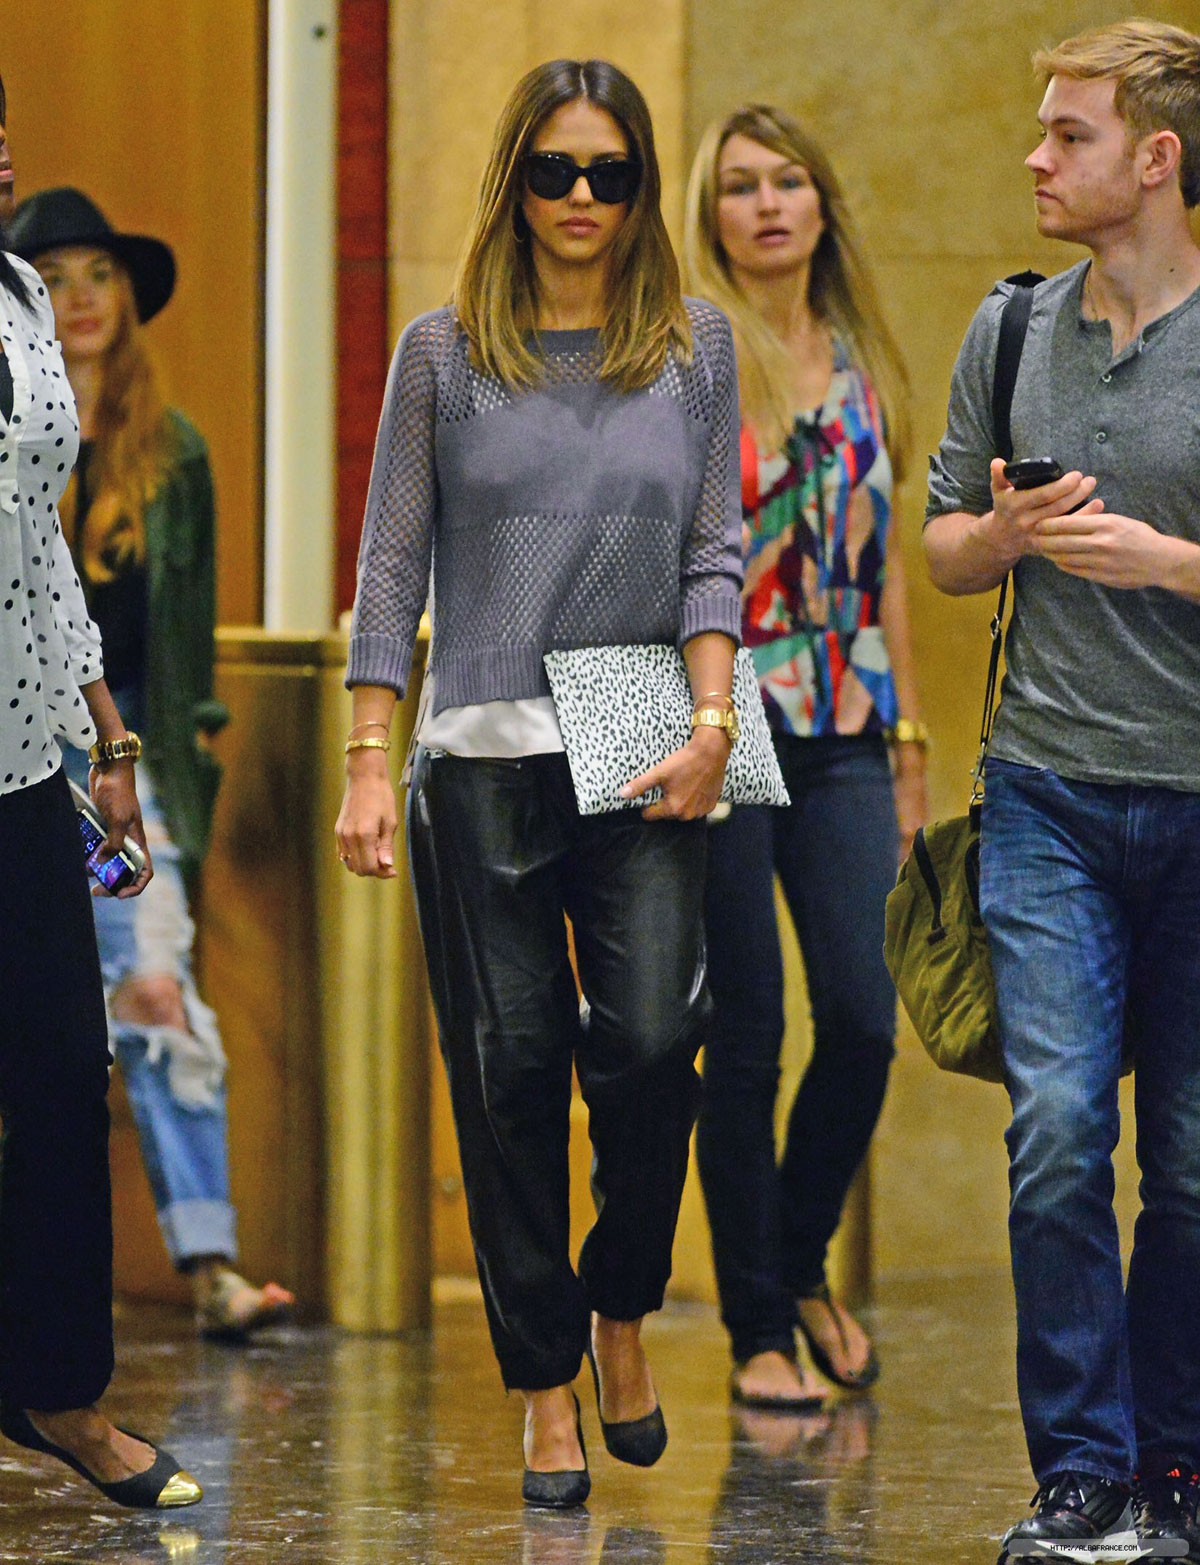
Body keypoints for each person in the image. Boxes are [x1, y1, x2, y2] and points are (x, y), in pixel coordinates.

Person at [336, 58, 741, 1507]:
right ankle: (542, 1380)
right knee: (506, 1071)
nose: (582, 198)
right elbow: (389, 564)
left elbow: (713, 548)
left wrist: (711, 719)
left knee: (645, 1042)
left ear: (640, 190)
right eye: (556, 171)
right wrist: (371, 758)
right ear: (513, 179)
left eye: (611, 174)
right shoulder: (444, 352)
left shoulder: (693, 342)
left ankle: (623, 1307)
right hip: (485, 739)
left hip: (645, 720)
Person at [924, 20, 1200, 1560]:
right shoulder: (1013, 331)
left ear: (1155, 158)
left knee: (1196, 1170)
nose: (1037, 157)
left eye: (1070, 135)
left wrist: (1162, 562)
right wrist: (1011, 538)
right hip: (1045, 794)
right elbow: (945, 545)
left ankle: (1176, 1469)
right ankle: (1080, 1470)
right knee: (1053, 1137)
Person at [7, 185, 293, 1342]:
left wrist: (167, 774)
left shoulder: (171, 452)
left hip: (123, 751)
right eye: (57, 274)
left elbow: (182, 648)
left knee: (160, 996)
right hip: (15, 744)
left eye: (99, 274)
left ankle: (210, 1259)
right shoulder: (18, 407)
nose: (79, 297)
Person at [682, 106, 925, 1412]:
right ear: (709, 214)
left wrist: (915, 738)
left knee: (867, 1019)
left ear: (822, 204)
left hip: (848, 717)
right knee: (750, 1033)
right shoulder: (688, 351)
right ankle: (757, 1329)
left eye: (788, 182)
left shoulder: (865, 354)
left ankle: (799, 1254)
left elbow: (886, 564)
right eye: (739, 187)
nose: (768, 204)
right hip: (726, 719)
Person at [0, 69, 200, 1509]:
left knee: (68, 1071)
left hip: (20, 757)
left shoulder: (18, 296)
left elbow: (39, 541)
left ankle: (59, 1388)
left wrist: (108, 740)